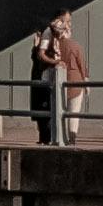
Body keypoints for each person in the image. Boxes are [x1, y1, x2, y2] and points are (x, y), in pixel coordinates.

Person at [27, 11, 87, 140]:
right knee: (60, 110)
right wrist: (55, 61)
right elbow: (41, 54)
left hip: (53, 76)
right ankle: (60, 138)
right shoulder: (49, 33)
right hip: (52, 76)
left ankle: (55, 137)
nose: (69, 24)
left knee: (56, 109)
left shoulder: (54, 36)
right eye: (67, 21)